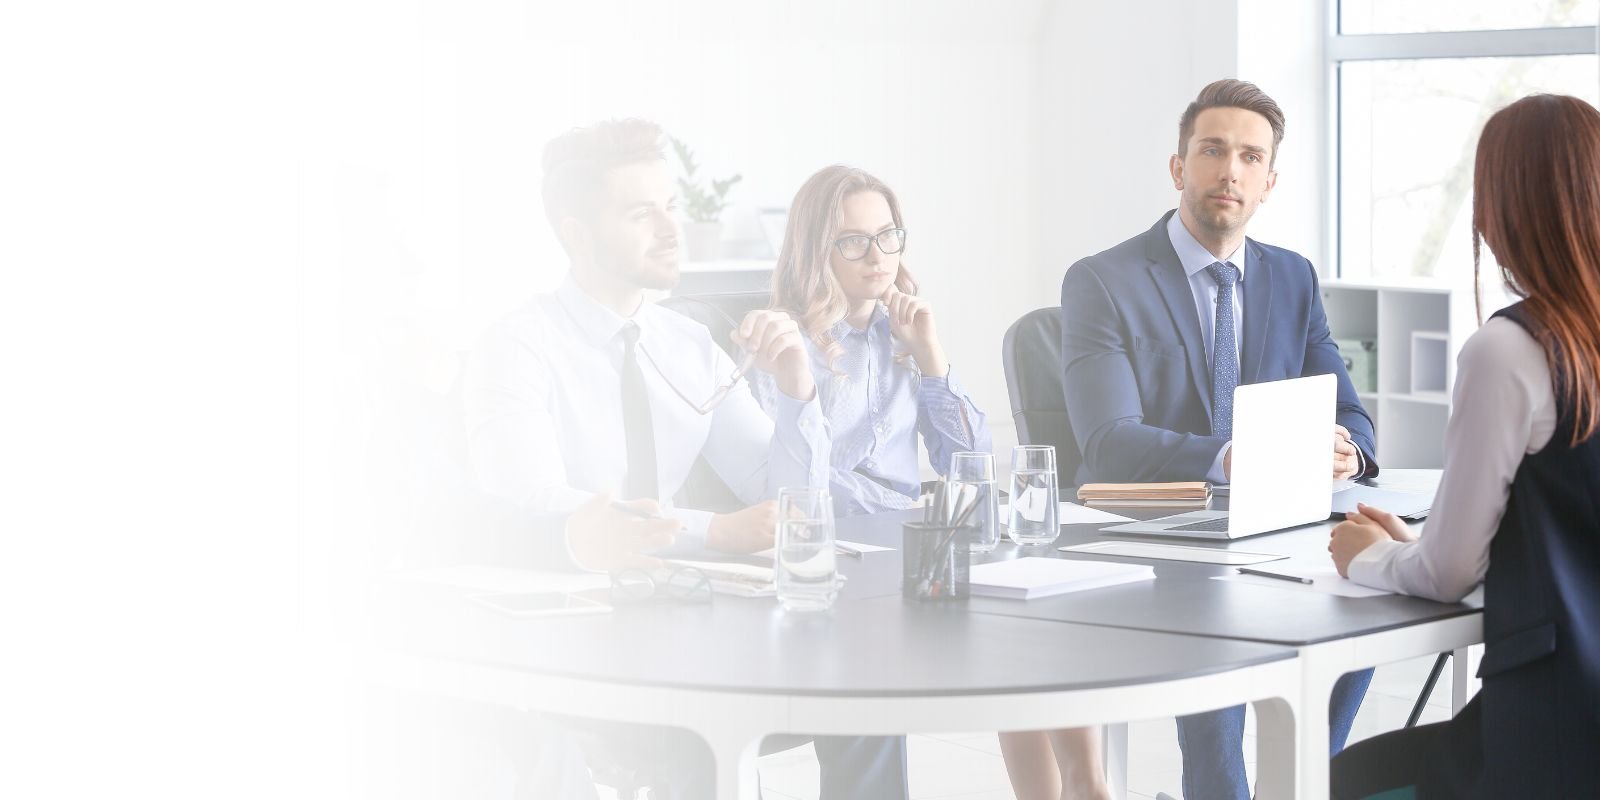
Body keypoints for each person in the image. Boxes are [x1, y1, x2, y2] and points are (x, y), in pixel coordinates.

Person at [466, 118, 906, 799]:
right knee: (695, 731)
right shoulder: (519, 346)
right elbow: (543, 506)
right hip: (577, 632)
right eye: (640, 213)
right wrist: (715, 531)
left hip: (686, 620)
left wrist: (796, 389)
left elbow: (791, 507)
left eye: (670, 207)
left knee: (869, 695)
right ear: (575, 232)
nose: (671, 230)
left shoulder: (688, 345)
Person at [1058, 79, 1376, 799]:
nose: (1229, 170)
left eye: (1248, 157)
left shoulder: (1290, 276)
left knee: (1374, 614)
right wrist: (1235, 458)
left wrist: (1346, 452)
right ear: (1179, 168)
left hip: (1277, 529)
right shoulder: (1103, 280)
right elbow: (1109, 441)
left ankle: (1296, 779)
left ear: (1268, 181)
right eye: (1212, 150)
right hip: (1162, 537)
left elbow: (1353, 418)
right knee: (1220, 684)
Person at [1328, 93, 1600, 800]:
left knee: (1341, 781)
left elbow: (1447, 574)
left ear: (1501, 210)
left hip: (1560, 730)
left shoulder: (1510, 351)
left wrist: (1374, 559)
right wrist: (1412, 553)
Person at [762, 164, 990, 514]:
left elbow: (974, 468)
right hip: (831, 535)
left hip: (908, 532)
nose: (877, 255)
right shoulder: (783, 345)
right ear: (816, 250)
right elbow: (786, 477)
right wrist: (901, 506)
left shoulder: (902, 336)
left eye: (886, 235)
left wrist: (930, 355)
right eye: (854, 241)